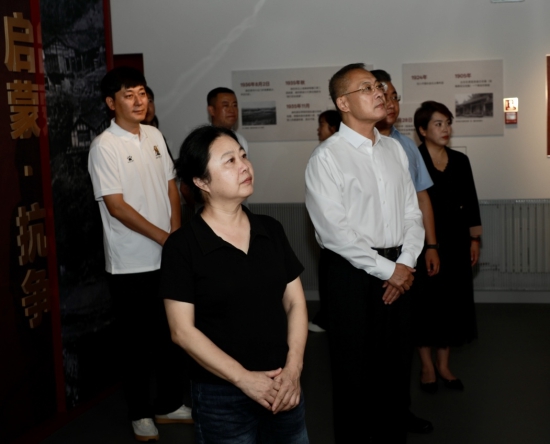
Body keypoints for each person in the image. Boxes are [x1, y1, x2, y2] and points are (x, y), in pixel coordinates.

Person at [160, 125, 309, 444]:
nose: (244, 166)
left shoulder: (270, 229)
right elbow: (182, 331)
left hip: (283, 384)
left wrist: (294, 369)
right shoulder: (182, 246)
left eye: (243, 156)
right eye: (229, 161)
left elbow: (295, 302)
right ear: (201, 181)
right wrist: (244, 379)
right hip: (221, 395)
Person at [305, 63, 425, 443]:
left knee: (396, 370)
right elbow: (335, 234)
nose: (379, 93)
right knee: (354, 376)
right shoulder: (327, 157)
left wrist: (405, 263)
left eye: (379, 87)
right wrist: (390, 270)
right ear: (343, 102)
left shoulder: (394, 149)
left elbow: (412, 214)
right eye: (367, 88)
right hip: (351, 274)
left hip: (399, 270)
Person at [88, 66, 191, 442]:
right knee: (135, 344)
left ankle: (169, 404)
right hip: (130, 263)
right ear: (110, 102)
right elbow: (116, 206)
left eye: (142, 93)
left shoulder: (154, 135)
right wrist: (164, 238)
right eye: (128, 95)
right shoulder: (104, 146)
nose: (138, 101)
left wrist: (175, 234)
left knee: (170, 335)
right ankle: (140, 412)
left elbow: (171, 187)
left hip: (166, 255)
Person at [372, 69, 438, 434]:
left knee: (401, 343)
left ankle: (401, 410)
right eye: (384, 96)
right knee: (371, 347)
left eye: (395, 96)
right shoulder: (349, 149)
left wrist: (430, 246)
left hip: (406, 256)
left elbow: (421, 200)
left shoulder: (407, 147)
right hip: (368, 263)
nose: (391, 103)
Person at [412, 101, 482, 393]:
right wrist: (428, 244)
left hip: (456, 242)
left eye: (448, 123)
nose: (445, 129)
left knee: (452, 304)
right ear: (422, 130)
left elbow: (471, 201)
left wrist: (474, 238)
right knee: (427, 304)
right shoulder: (413, 160)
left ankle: (443, 365)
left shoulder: (460, 160)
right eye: (438, 124)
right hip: (423, 243)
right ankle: (427, 367)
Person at [181, 87, 249, 211]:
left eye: (235, 105)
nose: (232, 110)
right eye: (225, 105)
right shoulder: (202, 142)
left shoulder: (241, 140)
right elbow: (185, 188)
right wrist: (199, 209)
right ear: (211, 110)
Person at [308, 109, 342, 334]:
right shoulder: (322, 155)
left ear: (333, 128)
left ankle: (328, 320)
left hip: (338, 240)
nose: (318, 129)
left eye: (321, 124)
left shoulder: (329, 154)